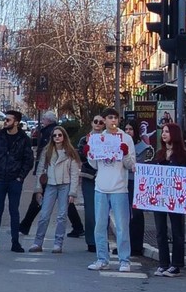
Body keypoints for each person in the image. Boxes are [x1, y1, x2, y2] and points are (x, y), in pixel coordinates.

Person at [86, 107, 136, 272]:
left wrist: (126, 153)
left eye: (115, 118)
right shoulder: (98, 138)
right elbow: (94, 164)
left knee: (122, 226)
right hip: (101, 187)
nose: (113, 121)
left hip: (119, 188)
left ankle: (124, 260)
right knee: (100, 225)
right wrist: (89, 153)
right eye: (110, 118)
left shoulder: (126, 138)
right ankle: (102, 258)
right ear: (105, 120)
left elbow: (131, 165)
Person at [0, 110, 34, 252]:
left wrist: (20, 177)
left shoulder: (23, 138)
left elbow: (28, 160)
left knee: (14, 211)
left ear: (16, 122)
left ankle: (15, 242)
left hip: (14, 180)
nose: (5, 122)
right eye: (5, 120)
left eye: (8, 120)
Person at [29, 126, 81, 254]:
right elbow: (40, 170)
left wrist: (72, 192)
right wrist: (38, 188)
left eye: (60, 135)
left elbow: (74, 173)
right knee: (44, 215)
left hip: (65, 185)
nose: (57, 137)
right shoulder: (47, 151)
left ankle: (58, 244)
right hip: (51, 185)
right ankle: (37, 242)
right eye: (55, 135)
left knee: (62, 216)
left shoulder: (70, 153)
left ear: (64, 137)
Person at [151, 123, 186, 277]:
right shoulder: (159, 153)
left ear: (175, 134)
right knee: (160, 231)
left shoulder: (183, 155)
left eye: (167, 131)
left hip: (175, 199)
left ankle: (176, 265)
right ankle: (163, 263)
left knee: (177, 231)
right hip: (160, 198)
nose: (164, 134)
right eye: (163, 132)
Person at [124, 119, 154, 257]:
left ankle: (136, 246)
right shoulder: (121, 145)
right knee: (124, 215)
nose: (128, 132)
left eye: (130, 129)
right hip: (123, 182)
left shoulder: (144, 147)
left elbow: (141, 166)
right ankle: (125, 245)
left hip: (137, 183)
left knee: (136, 214)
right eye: (126, 129)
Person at [78, 115, 104, 253]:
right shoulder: (85, 139)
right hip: (89, 177)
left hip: (105, 178)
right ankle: (91, 241)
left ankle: (101, 240)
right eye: (96, 122)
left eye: (101, 122)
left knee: (103, 211)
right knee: (90, 211)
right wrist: (87, 147)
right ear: (92, 123)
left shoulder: (109, 138)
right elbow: (81, 156)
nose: (98, 124)